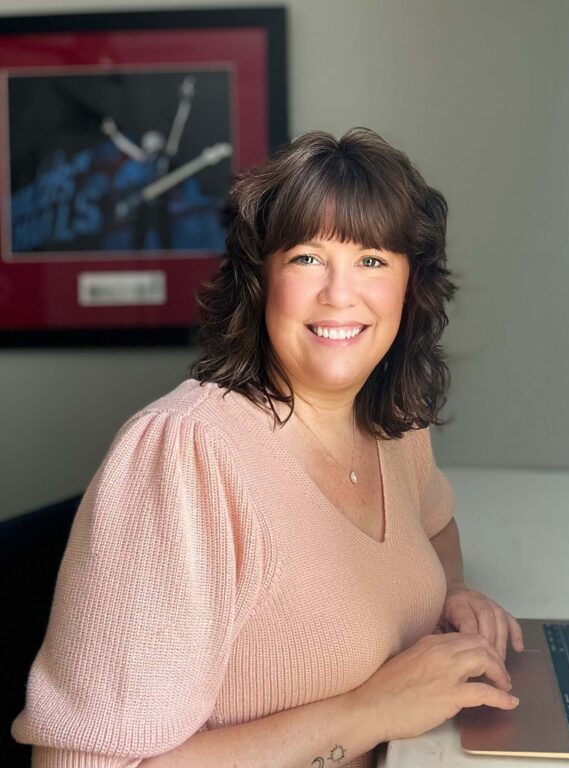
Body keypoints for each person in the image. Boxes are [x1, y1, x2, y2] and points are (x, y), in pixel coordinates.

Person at [12, 127, 523, 768]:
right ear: (261, 281)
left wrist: (452, 596)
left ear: (409, 287)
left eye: (372, 259)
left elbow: (435, 524)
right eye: (308, 258)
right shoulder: (185, 454)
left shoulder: (392, 420)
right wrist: (367, 713)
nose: (340, 294)